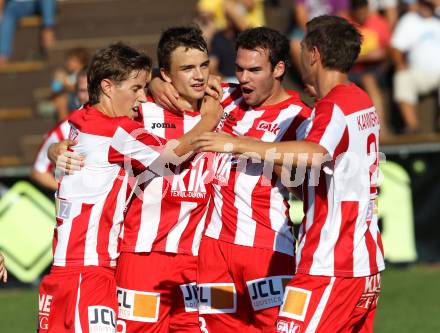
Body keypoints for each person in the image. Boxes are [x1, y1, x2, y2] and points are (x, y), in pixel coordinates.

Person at [193, 16, 384, 333]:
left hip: (331, 262)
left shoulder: (331, 107)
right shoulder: (359, 100)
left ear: (314, 55)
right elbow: (317, 179)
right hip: (362, 262)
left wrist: (237, 144)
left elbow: (314, 153)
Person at [38, 42, 222, 333]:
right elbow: (173, 155)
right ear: (108, 87)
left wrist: (53, 151)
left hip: (62, 272)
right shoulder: (119, 130)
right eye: (136, 89)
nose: (143, 97)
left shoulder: (84, 117)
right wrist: (210, 119)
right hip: (90, 272)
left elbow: (53, 145)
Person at [194, 27, 310, 332]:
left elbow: (302, 188)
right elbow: (163, 78)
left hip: (267, 250)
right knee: (216, 327)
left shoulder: (298, 117)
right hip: (214, 249)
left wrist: (257, 151)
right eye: (240, 69)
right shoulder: (227, 97)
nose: (244, 78)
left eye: (255, 70)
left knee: (274, 327)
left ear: (279, 68)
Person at [32, 69, 88, 191]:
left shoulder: (122, 120)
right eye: (83, 90)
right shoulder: (64, 129)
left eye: (93, 89)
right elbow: (39, 171)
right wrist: (68, 191)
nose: (90, 95)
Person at [390, 0, 440, 133]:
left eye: (429, 3)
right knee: (402, 77)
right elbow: (396, 47)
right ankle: (412, 126)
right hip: (417, 73)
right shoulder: (409, 20)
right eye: (423, 2)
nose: (425, 6)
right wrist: (400, 64)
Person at [0, 0, 56, 64]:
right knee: (7, 14)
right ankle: (2, 54)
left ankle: (48, 31)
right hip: (16, 5)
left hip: (36, 3)